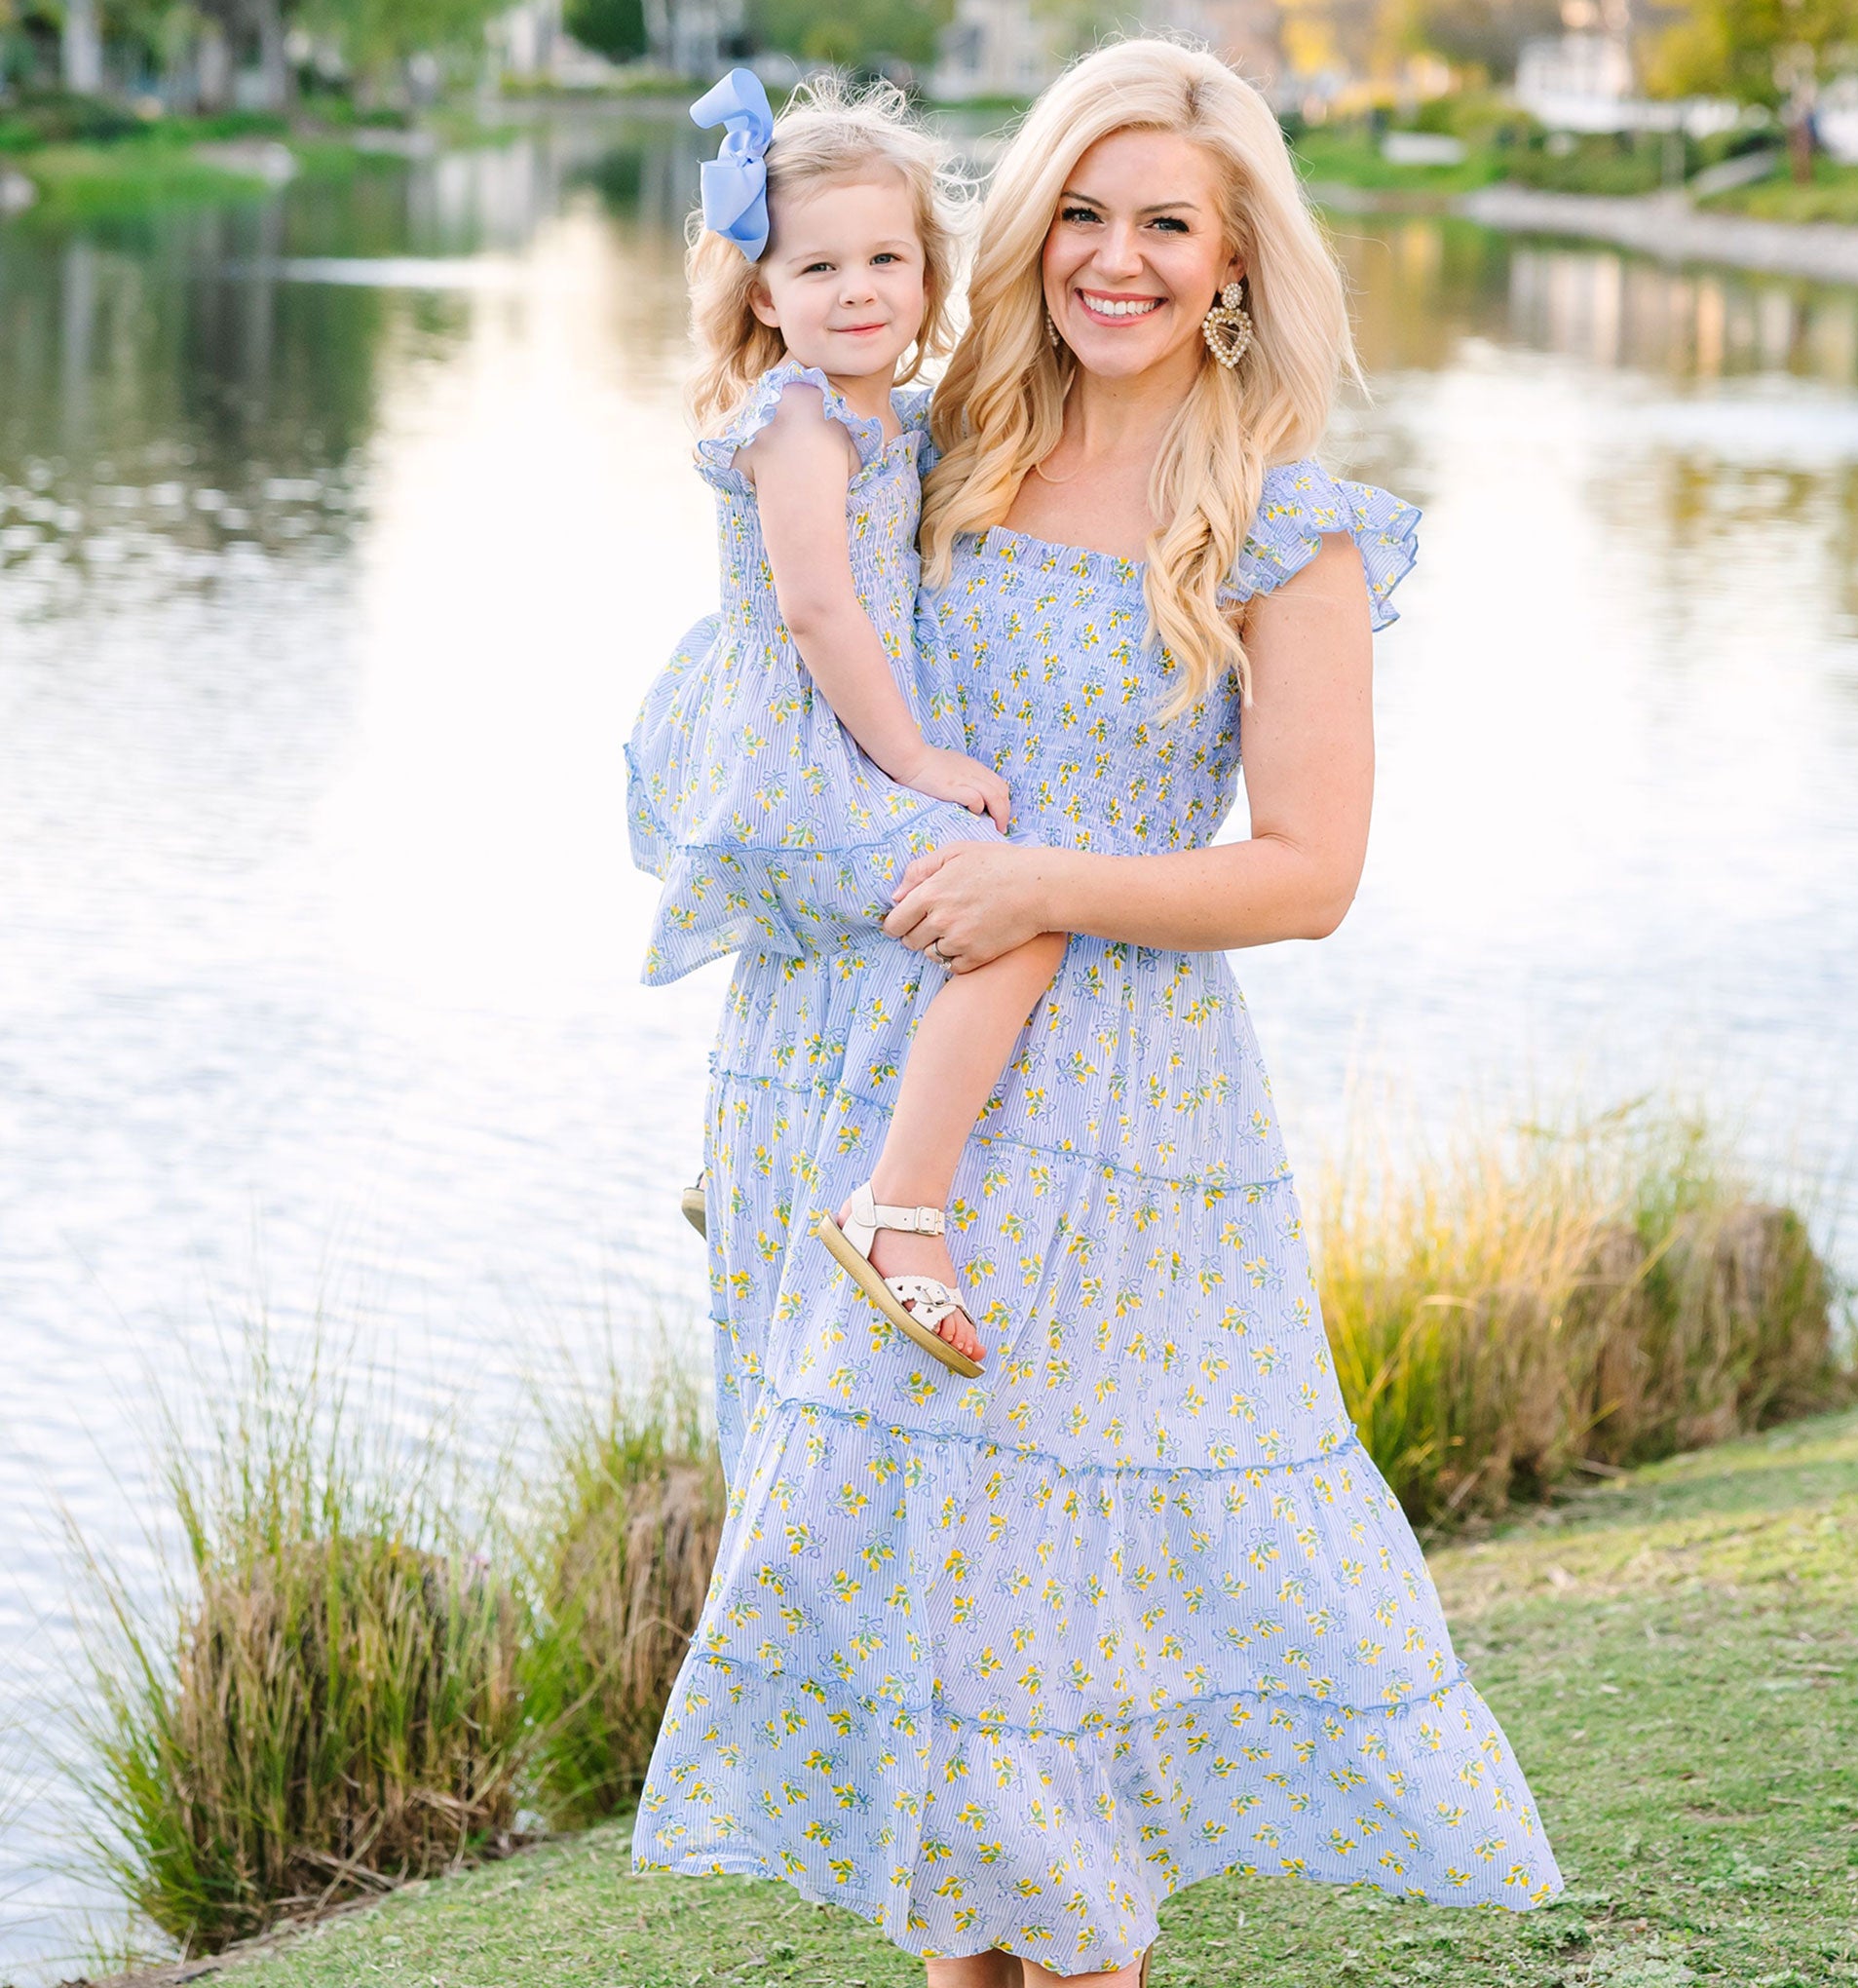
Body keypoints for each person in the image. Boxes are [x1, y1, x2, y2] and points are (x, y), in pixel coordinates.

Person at [632, 39, 1562, 1986]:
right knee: (931, 1683)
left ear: (1235, 262)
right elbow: (779, 642)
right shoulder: (932, 428)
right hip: (851, 1089)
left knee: (1040, 1699)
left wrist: (1046, 882)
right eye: (1083, 210)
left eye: (1168, 224)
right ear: (1027, 220)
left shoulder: (1279, 519)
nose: (1116, 259)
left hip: (1109, 1136)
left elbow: (1308, 872)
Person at [626, 70, 1064, 1380]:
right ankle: (897, 1211)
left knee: (906, 944)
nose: (859, 289)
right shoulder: (798, 420)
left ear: (928, 277)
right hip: (804, 742)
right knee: (1019, 914)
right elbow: (820, 611)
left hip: (832, 731)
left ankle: (757, 1167)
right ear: (762, 291)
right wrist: (920, 760)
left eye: (887, 258)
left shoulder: (885, 410)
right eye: (819, 266)